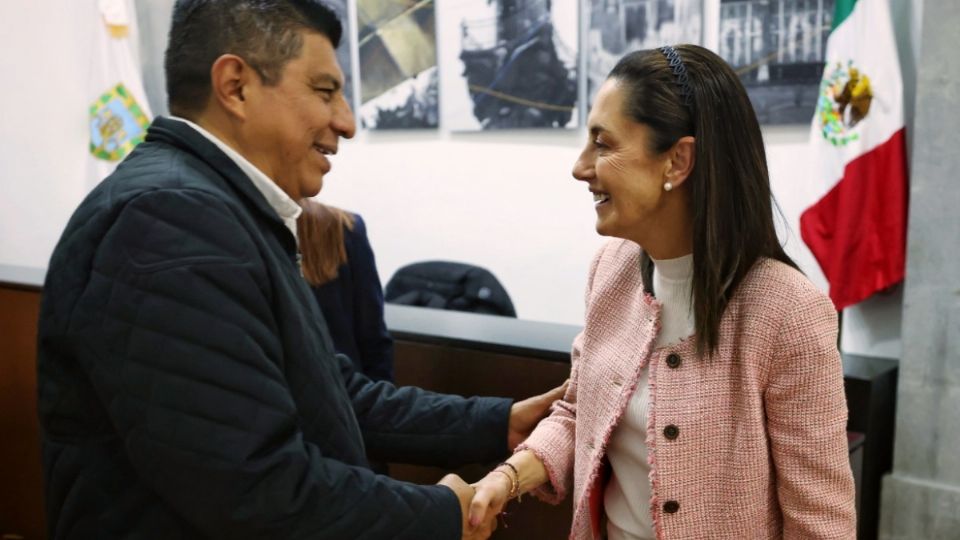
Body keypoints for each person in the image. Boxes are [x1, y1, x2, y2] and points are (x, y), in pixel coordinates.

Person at [37, 2, 563, 539]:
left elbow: (329, 393)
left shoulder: (221, 210)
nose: (348, 122)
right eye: (324, 90)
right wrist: (439, 514)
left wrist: (499, 422)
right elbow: (254, 488)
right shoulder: (172, 221)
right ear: (236, 85)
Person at [468, 45, 857, 539]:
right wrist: (506, 479)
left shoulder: (788, 313)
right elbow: (578, 411)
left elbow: (820, 523)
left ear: (677, 161)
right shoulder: (611, 271)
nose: (580, 167)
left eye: (602, 144)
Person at [297, 199, 394, 382]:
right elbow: (373, 335)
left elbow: (372, 335)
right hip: (341, 388)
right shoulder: (343, 226)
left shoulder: (341, 226)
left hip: (341, 390)